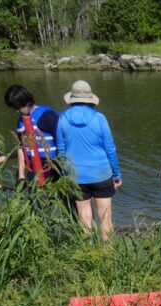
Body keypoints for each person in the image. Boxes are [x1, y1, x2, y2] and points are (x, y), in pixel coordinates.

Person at [56, 80, 122, 241]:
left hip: (76, 175)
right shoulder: (99, 118)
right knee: (105, 216)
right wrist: (117, 174)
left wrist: (66, 173)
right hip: (101, 173)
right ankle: (107, 252)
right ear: (90, 99)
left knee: (83, 215)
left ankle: (87, 251)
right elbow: (110, 148)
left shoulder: (63, 118)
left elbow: (61, 150)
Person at [3, 85, 59, 185]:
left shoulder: (47, 115)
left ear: (27, 102)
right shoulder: (21, 121)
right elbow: (21, 147)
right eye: (14, 108)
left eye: (19, 107)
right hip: (32, 166)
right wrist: (21, 175)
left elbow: (61, 140)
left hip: (52, 165)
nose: (17, 111)